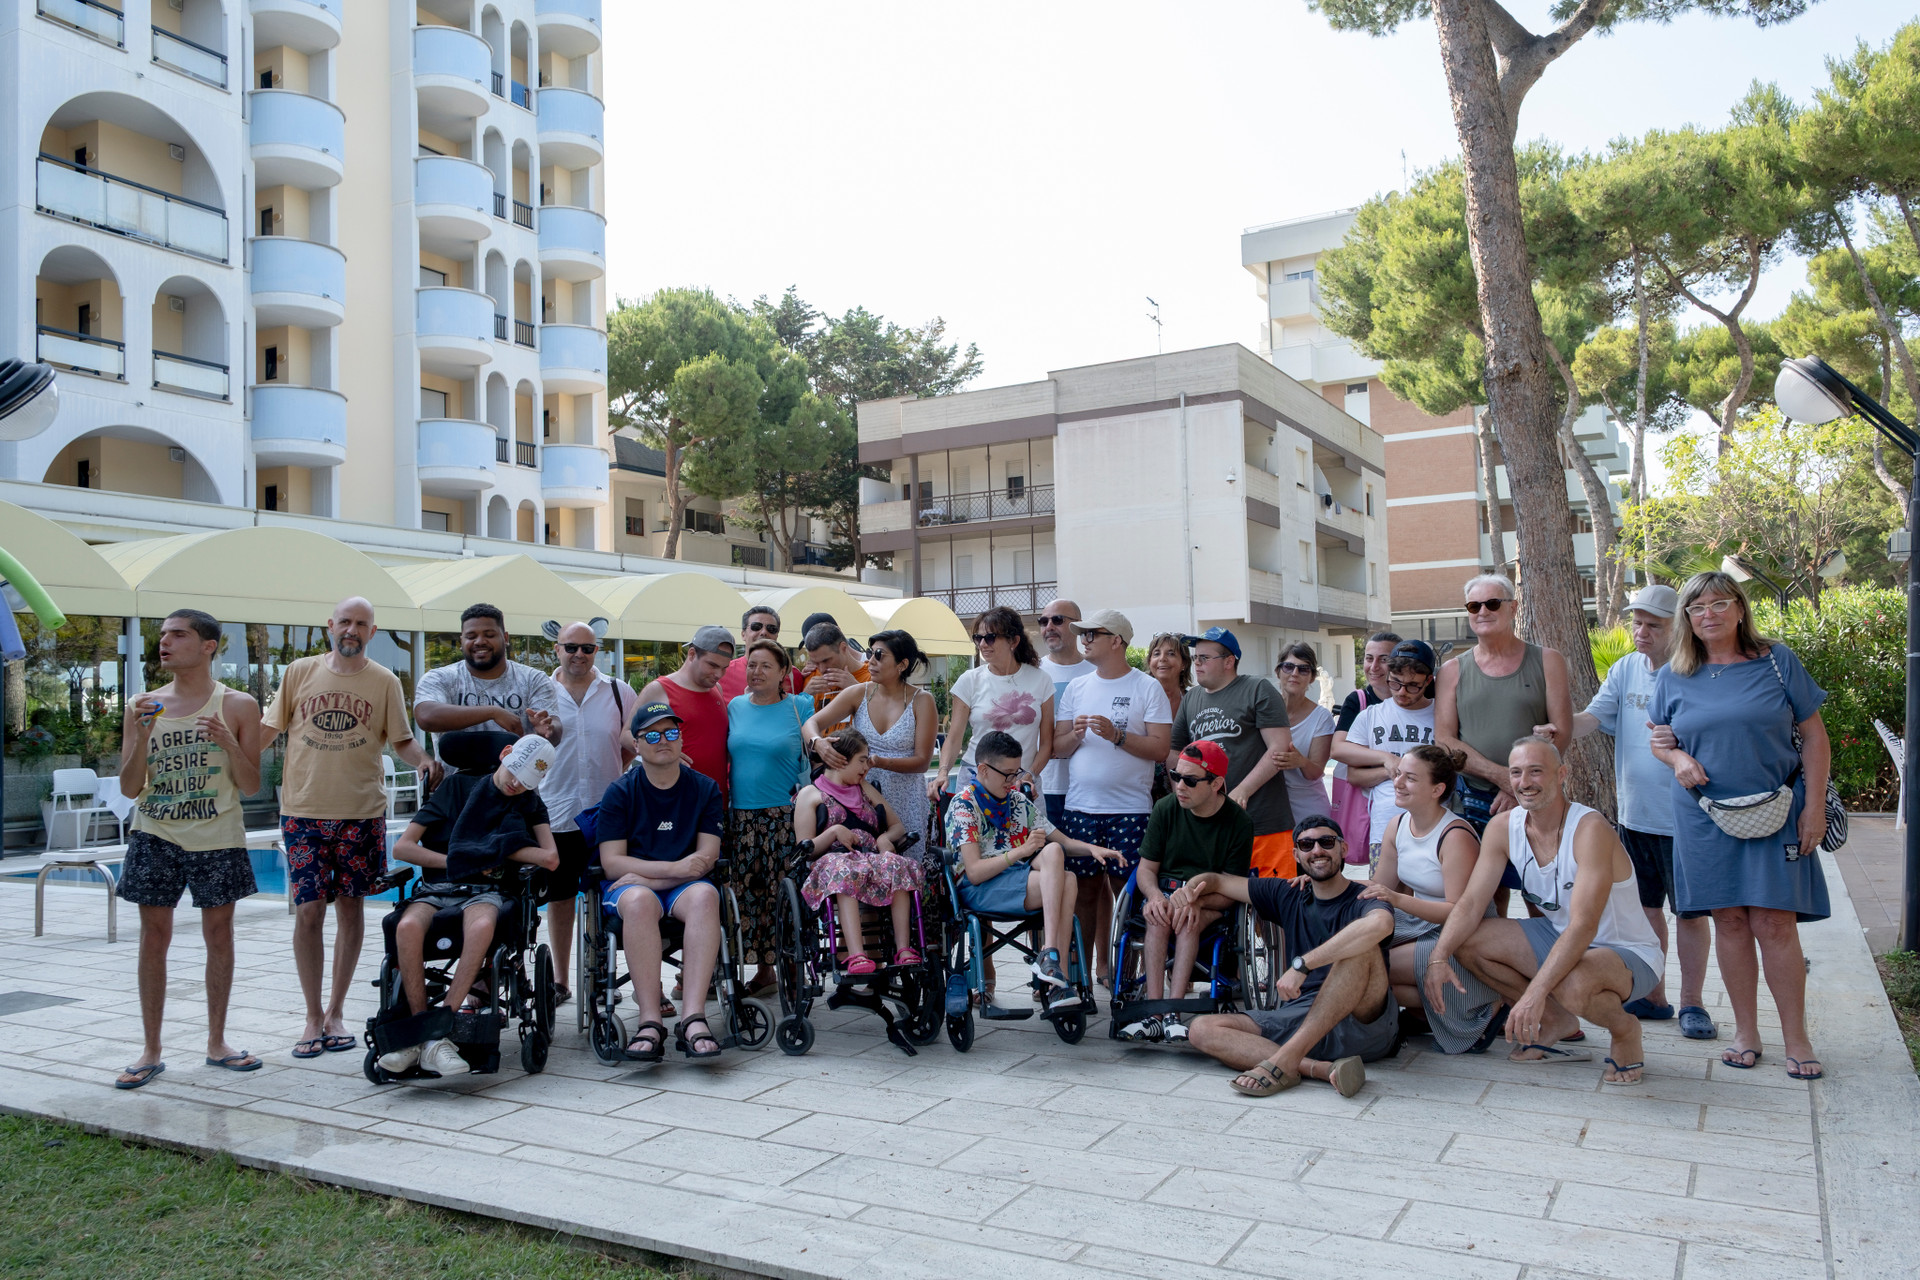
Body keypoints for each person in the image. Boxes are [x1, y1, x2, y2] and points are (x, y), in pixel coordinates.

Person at [1650, 571, 1831, 1080]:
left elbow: (1815, 737)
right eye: (1697, 607)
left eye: (1719, 603)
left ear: (1739, 608)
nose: (1709, 614)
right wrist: (1677, 760)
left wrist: (1811, 806)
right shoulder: (1674, 673)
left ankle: (1797, 1039)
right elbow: (1659, 739)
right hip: (1703, 816)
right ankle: (1745, 1033)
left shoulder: (1777, 661)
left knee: (1775, 923)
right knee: (1729, 921)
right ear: (1686, 617)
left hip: (1777, 811)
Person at [1425, 737, 1666, 1084]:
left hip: (1626, 952)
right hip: (1558, 936)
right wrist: (1438, 957)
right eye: (1517, 773)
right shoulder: (1503, 827)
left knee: (1572, 980)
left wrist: (1534, 993)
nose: (1525, 782)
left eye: (1536, 772)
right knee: (1468, 942)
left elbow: (1584, 925)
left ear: (1561, 774)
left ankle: (1625, 1030)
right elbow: (1472, 902)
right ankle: (1556, 1020)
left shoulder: (1590, 829)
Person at [265, 595, 441, 1060]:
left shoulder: (384, 681)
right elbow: (267, 730)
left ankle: (335, 1012)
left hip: (361, 813)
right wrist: (226, 746)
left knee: (350, 910)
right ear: (330, 625)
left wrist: (424, 760)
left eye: (361, 623)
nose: (352, 630)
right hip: (302, 811)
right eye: (345, 621)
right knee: (308, 913)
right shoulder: (298, 673)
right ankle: (310, 1016)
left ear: (372, 632)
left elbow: (402, 739)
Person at [112, 610, 267, 1089]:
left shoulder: (238, 705)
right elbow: (131, 787)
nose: (165, 642)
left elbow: (251, 786)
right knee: (152, 937)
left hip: (217, 835)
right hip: (154, 832)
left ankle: (217, 1042)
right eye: (162, 635)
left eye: (178, 635)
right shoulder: (142, 704)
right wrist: (139, 736)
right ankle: (150, 1050)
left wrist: (227, 742)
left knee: (219, 935)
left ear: (208, 646)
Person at [1569, 584, 1714, 1037]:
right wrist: (1555, 726)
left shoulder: (1699, 671)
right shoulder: (1625, 668)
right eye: (1637, 622)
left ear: (1679, 626)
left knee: (1689, 914)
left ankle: (1693, 1005)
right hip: (1634, 819)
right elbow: (1592, 719)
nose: (1641, 631)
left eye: (1654, 624)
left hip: (1687, 821)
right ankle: (1655, 996)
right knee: (1648, 911)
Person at [379, 735, 560, 1078]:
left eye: (527, 782)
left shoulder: (529, 803)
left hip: (486, 891)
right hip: (438, 886)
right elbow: (402, 848)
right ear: (506, 754)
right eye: (514, 773)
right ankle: (428, 1036)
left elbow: (549, 857)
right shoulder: (453, 789)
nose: (516, 784)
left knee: (479, 927)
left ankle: (434, 1034)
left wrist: (493, 850)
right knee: (406, 926)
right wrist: (458, 861)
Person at [1182, 816, 1397, 1098]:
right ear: (1296, 855)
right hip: (1303, 1019)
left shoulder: (1366, 896)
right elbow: (1219, 882)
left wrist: (1303, 964)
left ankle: (1282, 1063)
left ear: (1343, 849)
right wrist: (1189, 889)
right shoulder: (1289, 893)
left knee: (1361, 946)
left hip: (1363, 1023)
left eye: (1326, 842)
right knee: (1201, 1029)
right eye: (1306, 844)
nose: (1317, 850)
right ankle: (1320, 1069)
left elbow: (1380, 925)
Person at [945, 731, 1125, 1012]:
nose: (1013, 781)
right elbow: (975, 873)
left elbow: (1063, 842)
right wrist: (1021, 851)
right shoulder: (963, 805)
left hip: (1018, 880)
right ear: (982, 769)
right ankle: (1055, 975)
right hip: (980, 888)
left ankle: (1051, 958)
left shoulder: (1016, 802)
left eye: (1016, 773)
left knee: (1055, 854)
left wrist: (1093, 850)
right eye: (1007, 774)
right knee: (1066, 879)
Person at [596, 702, 729, 1061]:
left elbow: (705, 859)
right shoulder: (620, 792)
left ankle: (693, 1017)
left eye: (671, 732)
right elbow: (611, 864)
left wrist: (653, 875)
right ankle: (650, 1021)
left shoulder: (705, 789)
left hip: (676, 885)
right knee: (638, 901)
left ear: (681, 739)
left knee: (705, 897)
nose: (663, 741)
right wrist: (673, 870)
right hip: (634, 889)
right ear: (636, 745)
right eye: (651, 735)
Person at [1053, 609, 1172, 988]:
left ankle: (1127, 978)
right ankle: (1081, 980)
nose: (1084, 639)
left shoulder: (1146, 687)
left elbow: (1160, 748)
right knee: (1083, 894)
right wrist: (1075, 735)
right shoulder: (1077, 688)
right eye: (1082, 634)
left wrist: (1118, 736)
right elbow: (1057, 747)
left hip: (1130, 811)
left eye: (1092, 634)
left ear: (1117, 640)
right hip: (1081, 807)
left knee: (1128, 895)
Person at [1363, 746, 1506, 1053]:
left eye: (1410, 778)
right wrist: (1325, 882)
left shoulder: (1455, 836)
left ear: (1437, 789)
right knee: (1358, 952)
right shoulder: (1397, 825)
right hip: (1419, 922)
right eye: (1398, 773)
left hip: (1461, 933)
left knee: (1373, 967)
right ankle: (1434, 1011)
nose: (1398, 782)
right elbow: (1379, 888)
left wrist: (1398, 901)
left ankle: (1484, 1003)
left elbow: (1460, 912)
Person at [1120, 740, 1253, 1043]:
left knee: (1188, 920)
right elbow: (1146, 869)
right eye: (1176, 776)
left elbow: (1232, 890)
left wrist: (1197, 901)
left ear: (1216, 783)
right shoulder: (1165, 808)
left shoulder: (1239, 823)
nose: (1180, 786)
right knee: (1157, 917)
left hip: (1210, 900)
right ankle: (1155, 1013)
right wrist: (1154, 896)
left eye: (1190, 781)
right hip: (1165, 892)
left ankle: (1173, 1012)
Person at [543, 620, 636, 1006]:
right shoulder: (541, 692)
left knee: (611, 896)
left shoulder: (618, 691)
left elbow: (629, 746)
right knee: (561, 897)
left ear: (598, 651)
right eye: (571, 647)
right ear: (557, 650)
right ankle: (561, 980)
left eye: (588, 648)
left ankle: (607, 975)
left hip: (605, 814)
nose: (579, 654)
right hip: (557, 811)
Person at [1434, 575, 1571, 827]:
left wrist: (1518, 786)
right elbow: (1444, 740)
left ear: (1513, 608)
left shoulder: (1549, 661)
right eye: (1474, 606)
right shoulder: (1451, 671)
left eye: (1493, 603)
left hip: (1535, 797)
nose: (1483, 611)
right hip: (1471, 799)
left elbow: (1561, 731)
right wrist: (1504, 779)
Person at [807, 630, 938, 876]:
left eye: (879, 655)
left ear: (902, 664)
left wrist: (879, 762)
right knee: (863, 867)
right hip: (861, 792)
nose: (871, 662)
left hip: (905, 796)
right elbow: (810, 724)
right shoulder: (859, 693)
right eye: (870, 654)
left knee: (905, 872)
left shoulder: (922, 700)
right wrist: (818, 743)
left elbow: (922, 762)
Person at [726, 637, 813, 991]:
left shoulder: (801, 706)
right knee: (748, 898)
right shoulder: (734, 706)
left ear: (783, 674)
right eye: (751, 664)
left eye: (765, 665)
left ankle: (793, 968)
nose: (756, 671)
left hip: (784, 818)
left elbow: (816, 748)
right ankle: (763, 972)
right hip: (741, 818)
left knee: (785, 896)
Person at [794, 729, 920, 972]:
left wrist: (884, 838)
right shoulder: (810, 794)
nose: (867, 767)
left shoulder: (864, 788)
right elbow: (804, 849)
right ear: (841, 760)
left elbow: (897, 826)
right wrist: (833, 832)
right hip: (831, 865)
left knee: (897, 863)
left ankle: (903, 948)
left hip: (869, 860)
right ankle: (856, 955)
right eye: (862, 760)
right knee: (844, 868)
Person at [1171, 627, 1293, 877]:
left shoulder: (1257, 689)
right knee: (1216, 903)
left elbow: (1279, 749)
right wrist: (1183, 791)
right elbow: (1175, 752)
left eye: (1205, 658)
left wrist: (1242, 791)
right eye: (1195, 658)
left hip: (1262, 822)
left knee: (1272, 904)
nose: (1197, 664)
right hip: (1209, 824)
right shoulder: (1191, 698)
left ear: (1229, 661)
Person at [1332, 639, 1439, 871]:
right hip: (1384, 828)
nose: (1402, 692)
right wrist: (1388, 762)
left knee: (1429, 899)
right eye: (1395, 683)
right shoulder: (1370, 716)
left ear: (1428, 680)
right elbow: (1354, 775)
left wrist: (1399, 770)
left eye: (1413, 686)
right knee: (1382, 898)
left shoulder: (1441, 715)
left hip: (1434, 827)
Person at [930, 606, 1054, 802]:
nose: (983, 644)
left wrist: (1030, 775)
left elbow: (1047, 743)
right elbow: (954, 738)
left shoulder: (1041, 680)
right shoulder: (969, 680)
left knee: (1030, 833)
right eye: (978, 638)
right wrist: (943, 772)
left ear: (1013, 640)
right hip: (977, 777)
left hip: (1022, 780)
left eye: (990, 638)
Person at [414, 604, 562, 759]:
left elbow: (555, 732)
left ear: (505, 638)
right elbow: (425, 716)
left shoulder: (533, 679)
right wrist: (492, 712)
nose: (480, 641)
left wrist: (548, 729)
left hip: (517, 781)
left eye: (489, 635)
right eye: (471, 636)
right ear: (461, 641)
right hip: (454, 782)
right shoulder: (440, 678)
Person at [634, 625, 734, 800]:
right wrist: (664, 751)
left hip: (717, 799)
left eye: (724, 668)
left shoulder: (716, 688)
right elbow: (627, 734)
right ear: (692, 654)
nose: (719, 674)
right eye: (712, 665)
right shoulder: (660, 689)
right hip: (676, 801)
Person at [1328, 631, 1399, 852]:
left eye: (1383, 659)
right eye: (1369, 658)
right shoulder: (1358, 701)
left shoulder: (1425, 701)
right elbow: (1338, 749)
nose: (1374, 666)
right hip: (1374, 810)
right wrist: (1388, 760)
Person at [1270, 643, 1336, 832]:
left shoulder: (1321, 717)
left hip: (1309, 808)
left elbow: (1315, 772)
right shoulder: (1263, 710)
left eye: (1303, 669)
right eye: (1289, 666)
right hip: (1270, 808)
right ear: (1278, 672)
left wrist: (1300, 761)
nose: (1295, 673)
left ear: (1312, 677)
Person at [1036, 599, 1089, 828]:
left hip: (1088, 787)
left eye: (1057, 620)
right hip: (1044, 785)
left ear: (1077, 626)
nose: (1049, 627)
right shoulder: (1032, 671)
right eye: (1043, 621)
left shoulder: (1097, 671)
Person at [1144, 633, 1193, 803]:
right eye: (1156, 653)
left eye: (1171, 653)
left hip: (1187, 788)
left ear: (1184, 663)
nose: (1162, 659)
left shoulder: (1193, 701)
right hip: (1143, 789)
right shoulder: (1138, 699)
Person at [719, 606, 804, 700]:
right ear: (743, 634)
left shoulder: (793, 674)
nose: (763, 632)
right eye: (756, 627)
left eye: (771, 628)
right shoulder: (722, 672)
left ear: (777, 635)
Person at [800, 621, 870, 730]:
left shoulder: (872, 676)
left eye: (826, 660)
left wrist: (857, 690)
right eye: (815, 662)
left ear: (843, 648)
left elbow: (887, 722)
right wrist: (804, 697)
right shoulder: (811, 679)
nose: (822, 669)